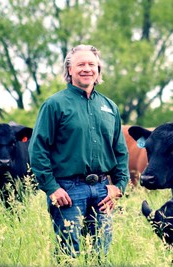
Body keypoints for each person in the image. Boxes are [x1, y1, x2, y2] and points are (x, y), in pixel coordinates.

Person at [29, 44, 129, 259]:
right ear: (70, 70)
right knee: (69, 255)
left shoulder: (110, 107)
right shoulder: (54, 105)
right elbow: (38, 149)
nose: (87, 69)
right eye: (80, 64)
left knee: (100, 255)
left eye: (91, 64)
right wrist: (52, 188)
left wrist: (119, 187)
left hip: (103, 190)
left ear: (98, 69)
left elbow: (120, 151)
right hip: (67, 191)